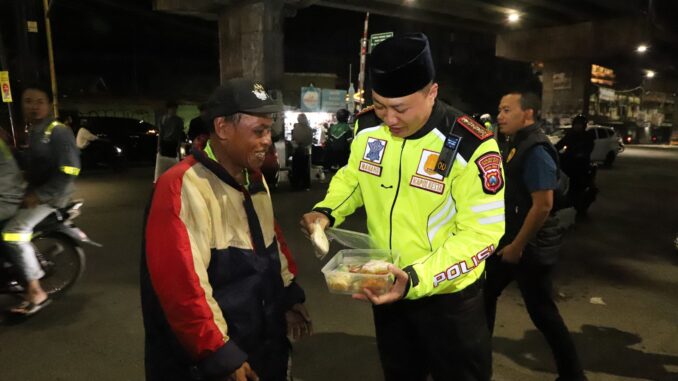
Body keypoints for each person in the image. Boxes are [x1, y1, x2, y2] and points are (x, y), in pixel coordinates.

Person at [301, 33, 505, 381]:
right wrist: (327, 211)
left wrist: (415, 278)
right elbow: (354, 177)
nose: (389, 119)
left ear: (432, 92)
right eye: (380, 105)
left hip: (449, 301)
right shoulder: (367, 127)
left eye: (400, 108)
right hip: (387, 290)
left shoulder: (470, 146)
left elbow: (482, 234)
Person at [141, 78, 311, 381]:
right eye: (258, 131)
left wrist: (288, 300)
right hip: (212, 361)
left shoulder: (253, 180)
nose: (268, 140)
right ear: (222, 128)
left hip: (263, 345)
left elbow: (273, 247)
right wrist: (220, 353)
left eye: (268, 130)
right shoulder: (182, 186)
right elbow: (182, 286)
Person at [485, 91, 587, 381]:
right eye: (499, 110)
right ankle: (476, 364)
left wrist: (517, 246)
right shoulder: (516, 143)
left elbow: (543, 205)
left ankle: (574, 375)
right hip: (516, 242)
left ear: (527, 113)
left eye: (506, 110)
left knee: (543, 313)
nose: (500, 116)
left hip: (528, 248)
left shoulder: (536, 149)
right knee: (486, 296)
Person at [2, 84, 80, 315]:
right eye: (28, 101)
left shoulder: (58, 131)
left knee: (13, 234)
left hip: (52, 197)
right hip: (35, 193)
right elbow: (30, 163)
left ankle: (36, 292)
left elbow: (71, 170)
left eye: (39, 101)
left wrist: (39, 195)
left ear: (49, 104)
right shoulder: (35, 131)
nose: (33, 107)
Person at [555, 114, 595, 214]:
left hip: (581, 167)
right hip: (567, 166)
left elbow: (587, 151)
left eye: (580, 124)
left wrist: (578, 155)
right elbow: (559, 145)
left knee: (580, 187)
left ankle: (578, 207)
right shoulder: (570, 135)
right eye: (576, 124)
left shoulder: (587, 137)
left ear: (584, 126)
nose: (578, 126)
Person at [154, 101, 185, 181]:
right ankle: (164, 178)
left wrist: (178, 145)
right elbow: (161, 133)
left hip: (173, 143)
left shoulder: (179, 120)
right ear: (168, 109)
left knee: (173, 162)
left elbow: (179, 134)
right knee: (164, 162)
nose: (173, 110)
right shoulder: (163, 119)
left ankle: (171, 178)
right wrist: (159, 145)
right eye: (172, 109)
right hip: (165, 142)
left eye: (175, 109)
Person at [291, 113, 312, 190]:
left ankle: (296, 185)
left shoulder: (296, 128)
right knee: (305, 169)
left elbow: (294, 139)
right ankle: (306, 185)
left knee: (296, 168)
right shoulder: (309, 128)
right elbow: (310, 140)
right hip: (306, 151)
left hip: (297, 151)